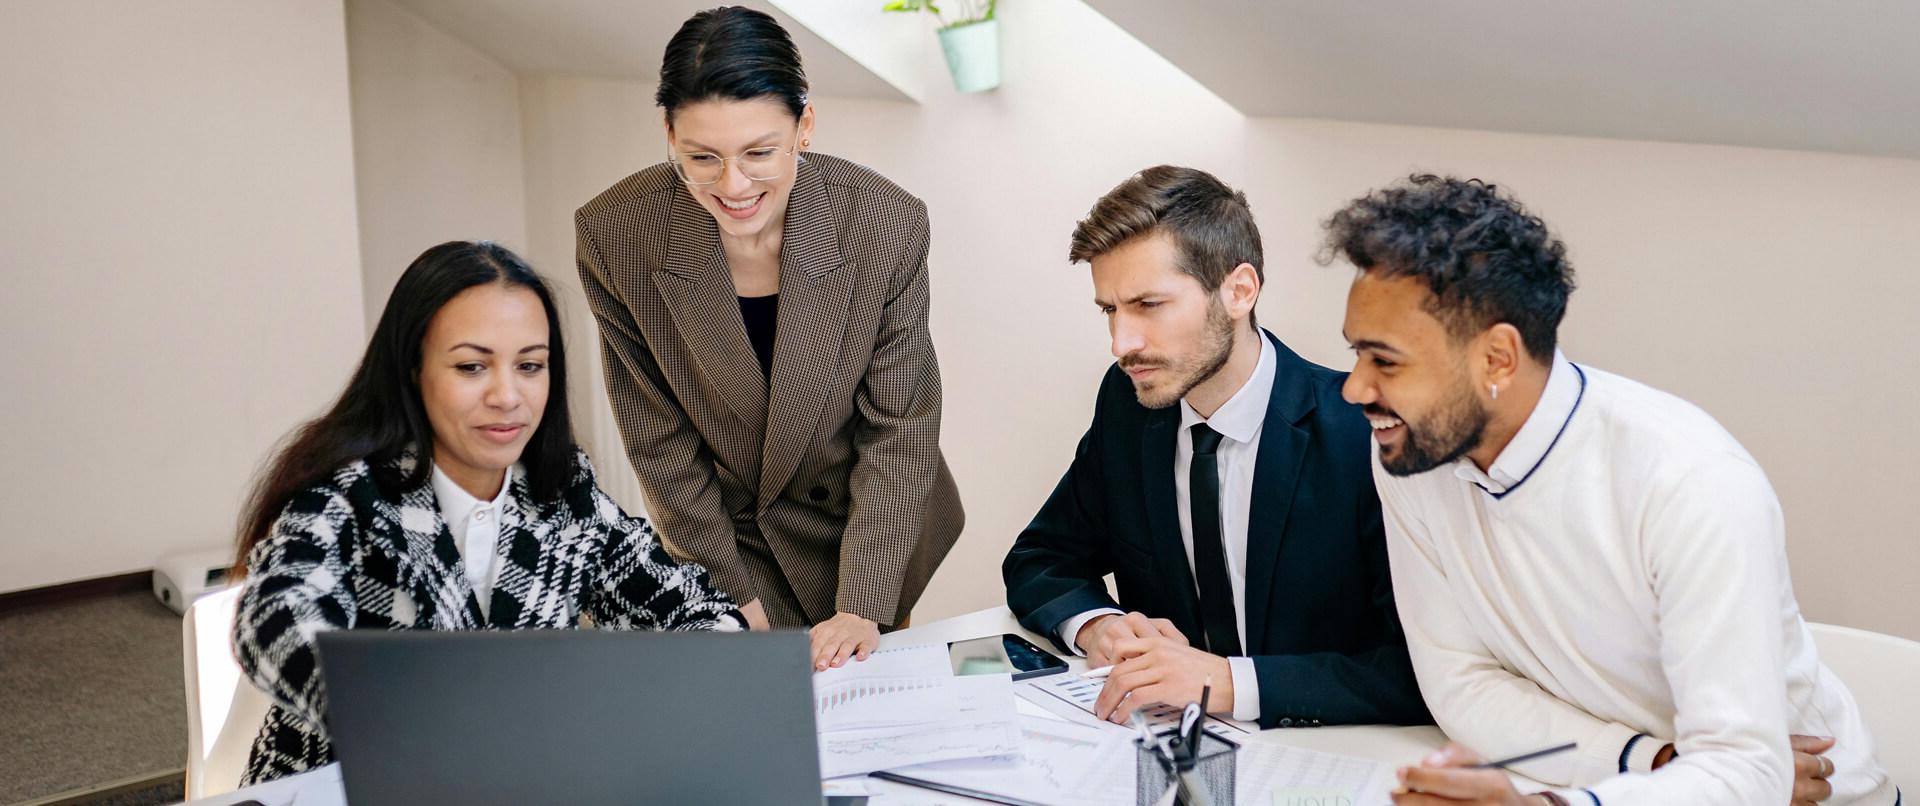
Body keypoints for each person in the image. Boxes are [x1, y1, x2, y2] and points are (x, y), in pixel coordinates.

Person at [1323, 175, 1895, 805]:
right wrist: (1654, 761)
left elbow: (1749, 772)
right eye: (1356, 354)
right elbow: (1460, 683)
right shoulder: (1413, 455)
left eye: (1385, 361)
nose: (1354, 388)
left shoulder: (1690, 481)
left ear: (1497, 359)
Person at [230, 242, 742, 785]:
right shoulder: (348, 489)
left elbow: (684, 606)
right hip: (343, 785)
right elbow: (274, 615)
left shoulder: (563, 490)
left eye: (530, 366)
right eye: (472, 366)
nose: (507, 395)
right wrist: (390, 714)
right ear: (412, 370)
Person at [575, 6, 962, 671]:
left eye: (759, 153)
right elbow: (658, 443)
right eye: (702, 157)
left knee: (874, 721)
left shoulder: (885, 224)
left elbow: (898, 430)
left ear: (804, 125)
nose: (733, 186)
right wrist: (731, 598)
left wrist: (863, 602)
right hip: (733, 536)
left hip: (867, 526)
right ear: (667, 133)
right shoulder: (615, 237)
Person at [1002, 166, 1430, 728]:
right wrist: (1099, 626)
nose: (1121, 343)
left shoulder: (1365, 434)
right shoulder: (1128, 403)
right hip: (1160, 748)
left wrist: (1229, 683)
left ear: (1239, 291)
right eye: (1110, 310)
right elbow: (1041, 559)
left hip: (1325, 757)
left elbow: (1419, 671)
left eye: (1148, 305)